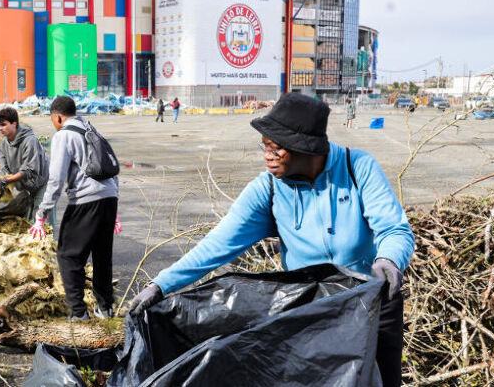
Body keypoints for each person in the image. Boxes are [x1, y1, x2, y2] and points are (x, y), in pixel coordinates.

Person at [128, 93, 415, 387]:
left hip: (371, 305)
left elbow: (394, 229)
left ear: (305, 148)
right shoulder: (268, 190)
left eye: (275, 148)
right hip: (312, 312)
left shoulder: (357, 168)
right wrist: (161, 285)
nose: (267, 155)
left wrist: (389, 259)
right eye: (264, 146)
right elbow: (217, 244)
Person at [30, 96, 121, 320]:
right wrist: (115, 210)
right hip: (109, 198)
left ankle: (79, 313)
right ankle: (105, 308)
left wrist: (42, 213)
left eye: (53, 119)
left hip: (85, 200)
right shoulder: (93, 130)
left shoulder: (64, 135)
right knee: (102, 256)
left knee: (68, 256)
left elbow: (56, 180)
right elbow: (111, 170)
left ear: (58, 117)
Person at [0, 107, 49, 221]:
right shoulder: (3, 144)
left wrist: (7, 180)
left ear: (14, 124)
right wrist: (2, 185)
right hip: (26, 187)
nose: (0, 128)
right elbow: (4, 169)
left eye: (3, 124)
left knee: (42, 223)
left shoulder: (30, 141)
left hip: (43, 184)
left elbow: (29, 170)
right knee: (26, 222)